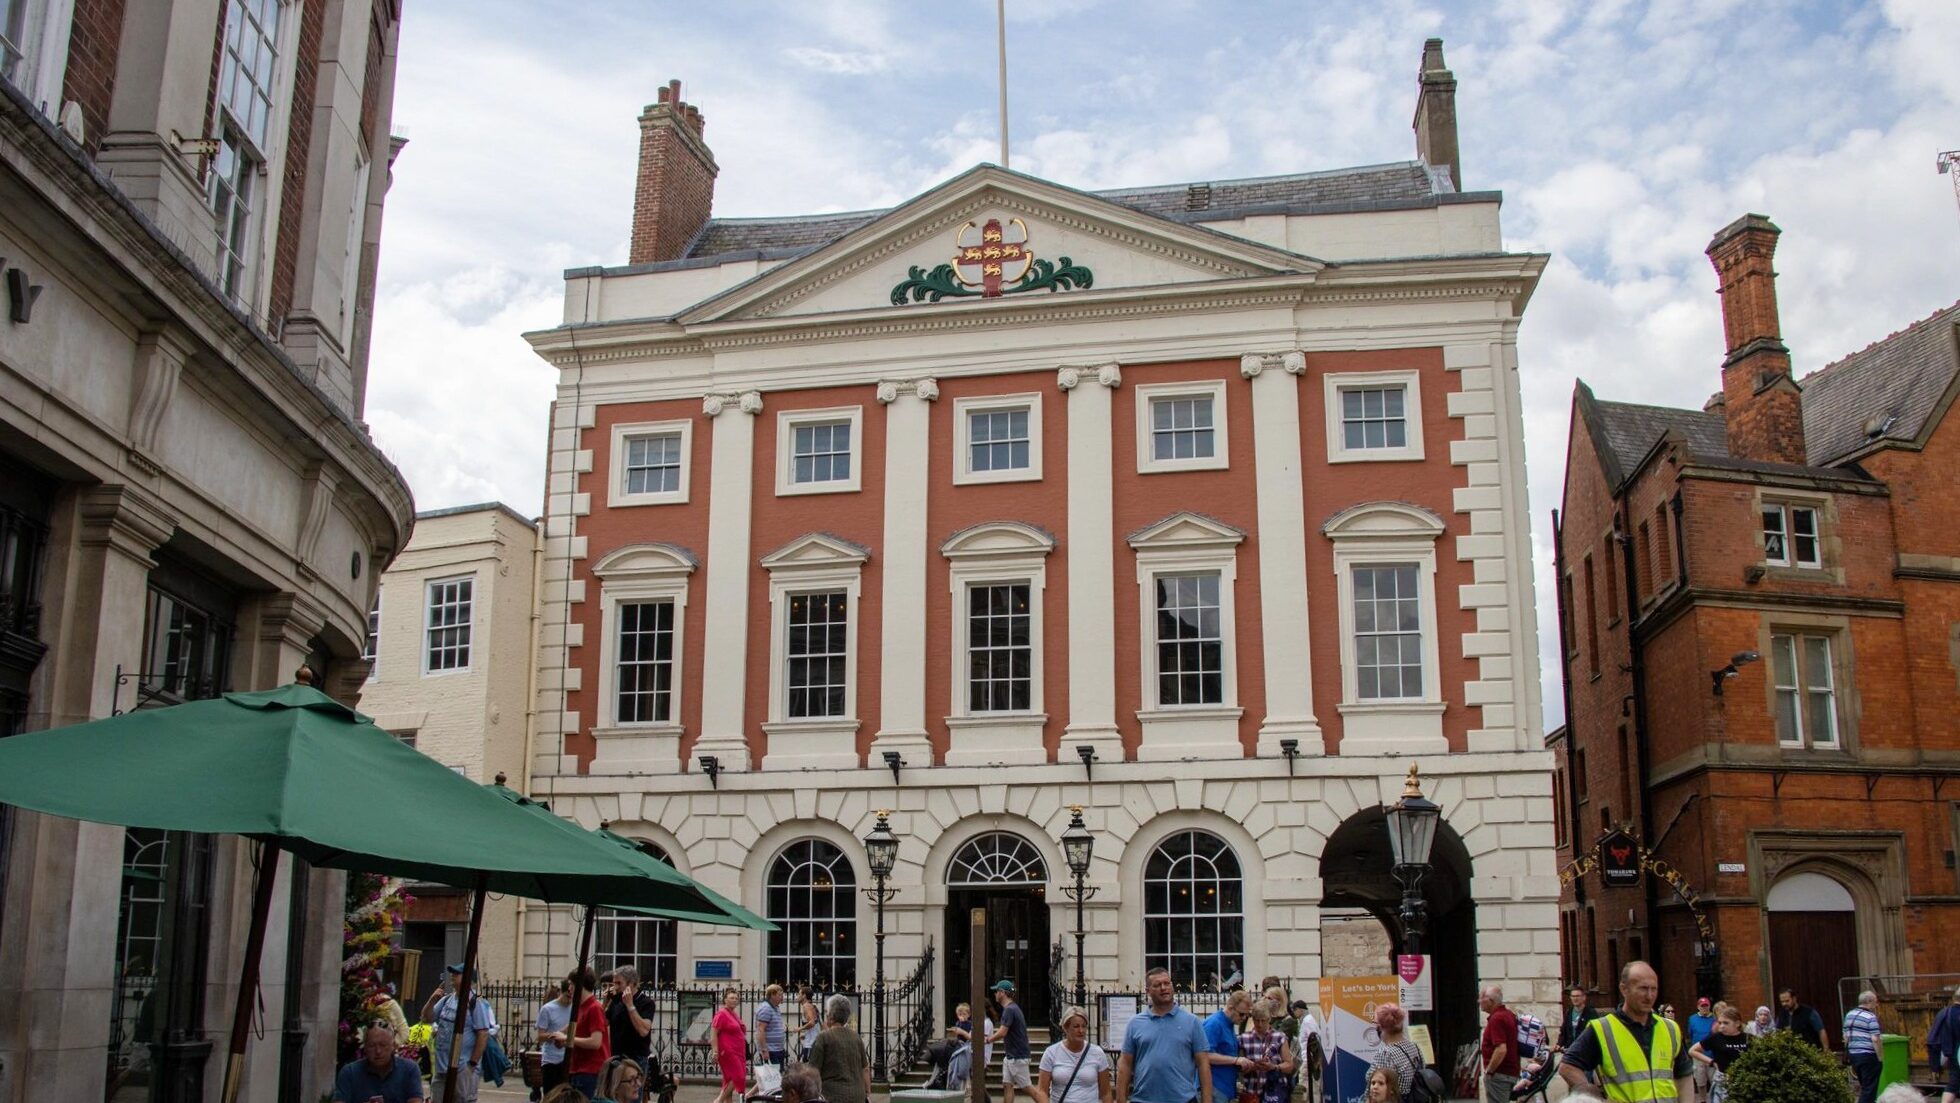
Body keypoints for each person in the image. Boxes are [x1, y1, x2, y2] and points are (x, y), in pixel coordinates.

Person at [1558, 961, 1694, 1103]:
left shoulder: (1670, 1029)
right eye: (1643, 989)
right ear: (1624, 989)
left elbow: (1684, 1074)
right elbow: (1567, 1067)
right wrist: (1591, 1098)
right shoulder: (1603, 1029)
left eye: (1654, 989)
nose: (1649, 996)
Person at [1116, 967, 1212, 1103]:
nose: (1163, 988)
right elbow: (1125, 1064)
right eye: (1157, 985)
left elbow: (1203, 1064)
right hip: (1143, 1100)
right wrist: (1121, 1099)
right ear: (1148, 991)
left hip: (1183, 1100)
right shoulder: (1135, 1023)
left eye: (1167, 983)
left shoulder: (1192, 1022)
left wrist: (1207, 1101)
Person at [424, 964, 497, 1103]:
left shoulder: (476, 1003)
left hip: (462, 1068)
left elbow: (483, 1035)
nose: (452, 976)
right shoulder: (447, 999)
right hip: (441, 1068)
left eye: (457, 973)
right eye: (452, 973)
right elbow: (426, 1018)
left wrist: (471, 1065)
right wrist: (432, 999)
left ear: (468, 979)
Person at [334, 1021, 426, 1103]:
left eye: (383, 1045)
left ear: (393, 1046)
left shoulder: (409, 1070)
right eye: (372, 1045)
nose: (378, 1051)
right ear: (365, 1047)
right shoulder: (350, 1073)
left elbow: (416, 1100)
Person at [1037, 1004, 1113, 1103]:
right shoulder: (1051, 1053)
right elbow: (1042, 1090)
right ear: (1066, 1028)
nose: (1081, 1031)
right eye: (1076, 1026)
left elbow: (1106, 1092)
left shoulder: (1097, 1053)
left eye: (1084, 1026)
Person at [808, 994, 871, 1103]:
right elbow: (865, 1069)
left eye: (827, 1012)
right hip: (858, 1096)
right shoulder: (856, 1037)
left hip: (832, 1096)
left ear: (830, 1016)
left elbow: (813, 1071)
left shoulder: (823, 1038)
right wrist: (868, 1093)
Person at [566, 965, 613, 1099]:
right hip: (579, 1069)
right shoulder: (580, 1008)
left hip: (591, 1071)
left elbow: (595, 1042)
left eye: (571, 984)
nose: (569, 989)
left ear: (579, 985)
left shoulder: (594, 1008)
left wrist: (567, 1039)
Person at [1688, 1003, 1749, 1103]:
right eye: (1720, 1023)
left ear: (1737, 1023)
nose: (1722, 1026)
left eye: (1726, 1023)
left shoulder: (1748, 1038)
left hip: (1744, 1081)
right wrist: (1712, 1062)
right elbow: (1692, 1051)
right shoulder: (1716, 1038)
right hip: (1723, 1082)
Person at [1203, 989, 1256, 1103]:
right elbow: (1205, 1055)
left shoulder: (1229, 1024)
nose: (1244, 1018)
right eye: (1242, 1014)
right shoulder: (1214, 1024)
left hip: (1224, 1087)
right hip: (1214, 1087)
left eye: (1247, 1015)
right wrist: (1236, 1060)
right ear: (1231, 1008)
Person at [606, 967, 657, 1079]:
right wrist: (605, 1002)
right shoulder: (616, 1001)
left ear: (632, 984)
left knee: (633, 1093)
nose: (616, 987)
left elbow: (643, 1031)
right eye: (614, 983)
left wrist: (630, 1006)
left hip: (636, 1059)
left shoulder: (646, 1003)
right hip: (617, 1057)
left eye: (619, 983)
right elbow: (602, 1023)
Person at [1239, 999, 1292, 1103]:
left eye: (1263, 1020)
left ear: (1269, 1019)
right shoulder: (1243, 1038)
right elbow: (1238, 1067)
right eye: (1256, 1020)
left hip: (1275, 1094)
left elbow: (1289, 1066)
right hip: (1251, 1092)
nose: (1259, 1024)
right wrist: (1253, 1066)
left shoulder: (1279, 1037)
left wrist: (1274, 1067)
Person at [1368, 1003, 1422, 1103]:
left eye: (1376, 1025)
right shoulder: (1415, 1047)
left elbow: (1374, 1092)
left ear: (1381, 1028)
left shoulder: (1385, 1053)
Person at [992, 980, 1035, 1103]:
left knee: (1027, 1087)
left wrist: (988, 1039)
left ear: (1002, 993)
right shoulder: (1013, 1008)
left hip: (1017, 1056)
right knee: (1007, 1085)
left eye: (996, 991)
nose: (995, 994)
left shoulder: (1009, 1010)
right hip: (1011, 1055)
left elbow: (1002, 1032)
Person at [1478, 985, 1519, 1103]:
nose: (1479, 1001)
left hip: (1499, 1074)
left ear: (1491, 1001)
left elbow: (1501, 1049)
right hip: (1509, 1072)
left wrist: (1489, 1071)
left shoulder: (1497, 1018)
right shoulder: (1508, 1014)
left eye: (1481, 998)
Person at [537, 980, 575, 1098]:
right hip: (551, 1060)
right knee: (551, 1096)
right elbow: (540, 1036)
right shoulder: (548, 1009)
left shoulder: (575, 1008)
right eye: (566, 996)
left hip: (569, 1059)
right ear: (561, 993)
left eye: (571, 997)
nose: (569, 1000)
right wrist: (556, 1035)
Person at [1844, 990, 1883, 1103]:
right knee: (1869, 1089)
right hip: (1868, 1056)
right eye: (1876, 1002)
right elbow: (1875, 1039)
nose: (1876, 1005)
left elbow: (1845, 1037)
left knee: (1865, 1086)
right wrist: (1880, 1057)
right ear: (1869, 1002)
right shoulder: (1870, 1017)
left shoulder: (1849, 1015)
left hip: (1854, 1055)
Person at [711, 986, 747, 1103]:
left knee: (729, 1079)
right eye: (731, 998)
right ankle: (719, 1100)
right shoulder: (721, 1014)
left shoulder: (733, 1013)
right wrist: (715, 1051)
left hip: (738, 1051)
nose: (734, 1000)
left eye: (736, 998)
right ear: (725, 1000)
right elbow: (713, 1033)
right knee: (738, 1077)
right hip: (728, 1051)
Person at [1931, 985, 1960, 1103]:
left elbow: (1932, 1037)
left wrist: (1935, 1064)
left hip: (1951, 1054)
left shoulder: (1944, 1013)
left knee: (1952, 1085)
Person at [757, 983, 789, 1069]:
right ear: (772, 995)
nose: (782, 997)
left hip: (777, 1049)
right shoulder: (766, 1008)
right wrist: (764, 1050)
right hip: (770, 1050)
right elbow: (761, 1029)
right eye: (780, 995)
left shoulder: (775, 1007)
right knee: (771, 1079)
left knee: (775, 1078)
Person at [1558, 987, 1600, 1052]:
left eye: (1577, 996)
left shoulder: (1591, 1013)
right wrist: (1559, 1044)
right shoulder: (1569, 1012)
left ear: (1584, 997)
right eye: (1573, 996)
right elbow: (1564, 1031)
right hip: (1570, 1049)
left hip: (1585, 1050)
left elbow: (1595, 1032)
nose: (1575, 998)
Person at [797, 985, 821, 1058]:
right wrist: (806, 1034)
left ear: (804, 995)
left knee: (808, 1068)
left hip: (810, 1044)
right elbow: (818, 1025)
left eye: (799, 994)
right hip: (814, 1043)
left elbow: (812, 1023)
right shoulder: (813, 1006)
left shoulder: (806, 1006)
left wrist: (799, 1029)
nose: (797, 996)